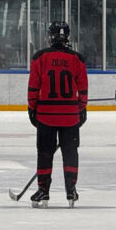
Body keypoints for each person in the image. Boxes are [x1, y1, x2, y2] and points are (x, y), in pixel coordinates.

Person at [26, 21, 88, 208]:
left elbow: (33, 87)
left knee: (45, 153)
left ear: (50, 35)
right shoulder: (78, 58)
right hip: (70, 115)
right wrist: (81, 109)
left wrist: (32, 108)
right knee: (70, 153)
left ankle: (43, 191)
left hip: (46, 114)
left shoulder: (40, 57)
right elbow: (83, 89)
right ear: (67, 36)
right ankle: (71, 190)